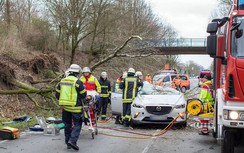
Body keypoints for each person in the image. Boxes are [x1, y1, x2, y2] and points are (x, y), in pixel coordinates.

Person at [56, 64, 87, 151]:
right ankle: (72, 141)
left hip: (65, 108)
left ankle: (67, 142)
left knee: (67, 124)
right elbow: (83, 94)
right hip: (75, 107)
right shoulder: (78, 82)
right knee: (77, 124)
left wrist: (64, 101)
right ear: (77, 73)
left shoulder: (62, 81)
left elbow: (57, 94)